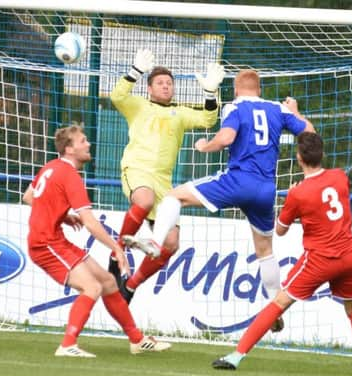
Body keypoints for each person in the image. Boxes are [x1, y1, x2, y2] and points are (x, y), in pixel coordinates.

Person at [123, 69, 315, 331]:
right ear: (259, 89)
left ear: (236, 89)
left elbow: (226, 138)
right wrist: (295, 111)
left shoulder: (234, 106)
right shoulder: (277, 108)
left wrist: (206, 146)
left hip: (236, 182)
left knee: (173, 197)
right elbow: (310, 133)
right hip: (265, 190)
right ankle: (274, 307)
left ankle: (156, 242)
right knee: (265, 252)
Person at [211, 132, 352, 376]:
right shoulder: (340, 177)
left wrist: (292, 198)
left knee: (279, 302)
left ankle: (237, 355)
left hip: (320, 259)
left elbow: (279, 230)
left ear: (299, 159)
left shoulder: (298, 193)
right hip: (349, 256)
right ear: (322, 155)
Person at [22, 125, 171, 357]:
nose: (88, 144)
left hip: (55, 240)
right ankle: (68, 344)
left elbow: (28, 196)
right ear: (69, 149)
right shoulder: (69, 175)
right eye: (82, 141)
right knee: (91, 287)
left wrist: (63, 216)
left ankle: (137, 340)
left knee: (108, 282)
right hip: (45, 244)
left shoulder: (51, 167)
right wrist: (117, 249)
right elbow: (90, 223)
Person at [108, 48, 225, 304]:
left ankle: (130, 287)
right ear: (149, 88)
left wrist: (210, 92)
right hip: (137, 169)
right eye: (160, 83)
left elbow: (208, 120)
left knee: (171, 244)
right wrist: (135, 71)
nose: (165, 86)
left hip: (163, 182)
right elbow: (117, 96)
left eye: (169, 83)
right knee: (144, 200)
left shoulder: (180, 113)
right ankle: (117, 254)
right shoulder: (137, 105)